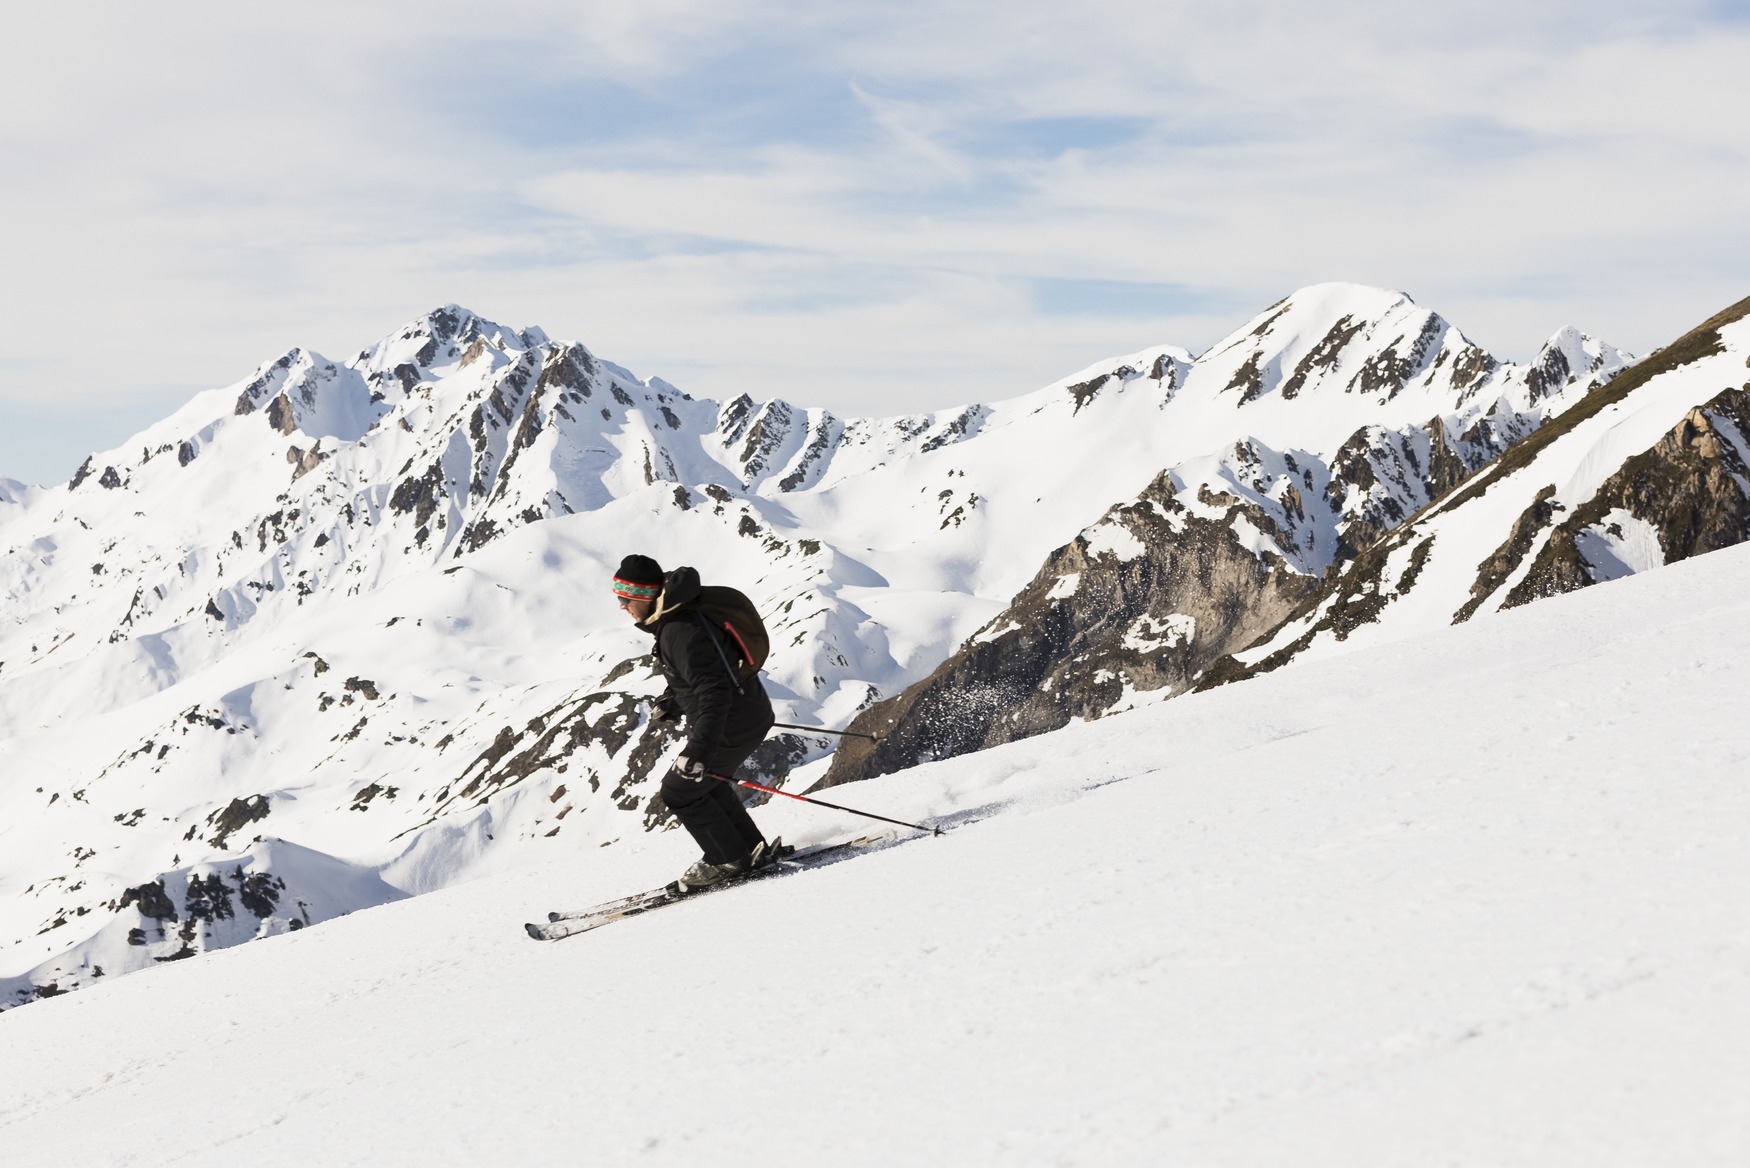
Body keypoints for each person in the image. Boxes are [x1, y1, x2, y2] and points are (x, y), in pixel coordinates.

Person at [613, 554, 776, 889]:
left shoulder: (677, 630)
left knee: (680, 791)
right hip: (745, 712)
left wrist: (700, 750)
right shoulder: (677, 616)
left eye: (625, 599)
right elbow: (707, 671)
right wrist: (673, 701)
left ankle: (726, 860)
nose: (621, 606)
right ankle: (748, 849)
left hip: (730, 721)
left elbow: (714, 690)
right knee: (705, 784)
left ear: (643, 597)